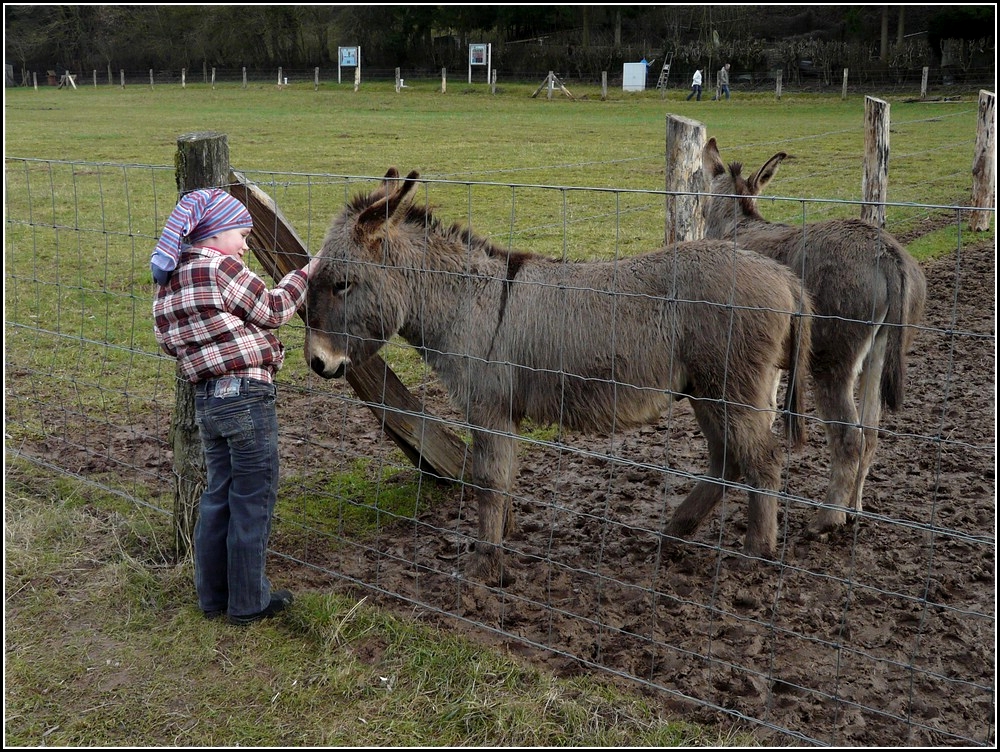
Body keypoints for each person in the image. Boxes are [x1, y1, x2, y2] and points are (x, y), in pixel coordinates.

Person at [151, 188, 321, 626]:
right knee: (252, 497)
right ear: (213, 234)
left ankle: (213, 599)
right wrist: (308, 271)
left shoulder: (169, 279)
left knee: (218, 497)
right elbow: (273, 308)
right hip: (247, 396)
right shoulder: (220, 266)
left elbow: (168, 341)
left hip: (208, 400)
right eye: (242, 234)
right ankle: (248, 604)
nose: (246, 245)